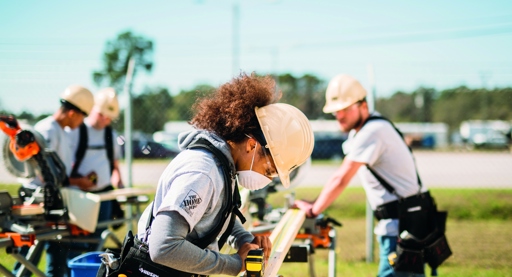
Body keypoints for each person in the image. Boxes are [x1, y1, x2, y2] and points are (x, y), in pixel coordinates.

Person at [136, 73, 314, 276]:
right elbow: (163, 246)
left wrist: (246, 241)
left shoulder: (223, 166)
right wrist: (234, 263)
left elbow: (215, 217)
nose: (266, 179)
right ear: (251, 145)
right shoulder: (202, 172)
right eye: (268, 170)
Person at [294, 74, 429, 277]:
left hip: (401, 225)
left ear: (363, 105)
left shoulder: (372, 131)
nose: (339, 116)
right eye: (336, 112)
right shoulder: (371, 127)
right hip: (407, 220)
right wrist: (316, 202)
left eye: (345, 109)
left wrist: (314, 210)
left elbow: (341, 178)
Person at [30, 85, 94, 277]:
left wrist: (76, 181)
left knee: (56, 259)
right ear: (73, 113)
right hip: (38, 200)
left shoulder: (60, 131)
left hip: (52, 200)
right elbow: (42, 172)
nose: (82, 123)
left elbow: (56, 172)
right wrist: (76, 182)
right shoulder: (46, 130)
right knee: (29, 257)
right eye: (82, 117)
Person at [67, 87, 124, 255]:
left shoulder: (110, 134)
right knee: (78, 243)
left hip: (104, 196)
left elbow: (114, 164)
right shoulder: (77, 130)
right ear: (92, 109)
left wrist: (119, 185)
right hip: (80, 197)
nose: (105, 120)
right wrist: (79, 181)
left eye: (109, 118)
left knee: (98, 241)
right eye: (101, 115)